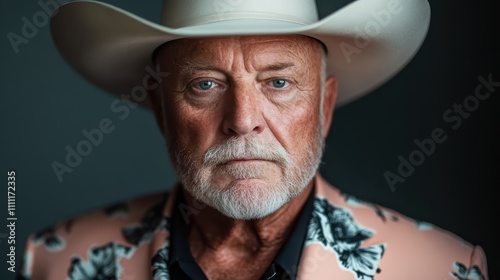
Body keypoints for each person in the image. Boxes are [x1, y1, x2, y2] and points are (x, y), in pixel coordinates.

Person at [18, 0, 489, 279]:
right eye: (205, 84)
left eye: (278, 83)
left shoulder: (444, 268)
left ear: (324, 108)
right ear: (162, 110)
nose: (242, 121)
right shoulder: (51, 262)